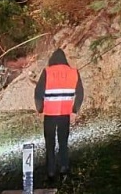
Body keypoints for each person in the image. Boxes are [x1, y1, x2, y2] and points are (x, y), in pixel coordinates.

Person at [34, 48, 84, 182]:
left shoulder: (47, 72)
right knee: (63, 142)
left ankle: (51, 171)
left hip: (50, 114)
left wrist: (40, 109)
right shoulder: (74, 72)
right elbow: (80, 93)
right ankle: (64, 167)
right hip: (65, 114)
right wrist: (74, 110)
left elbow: (38, 93)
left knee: (50, 143)